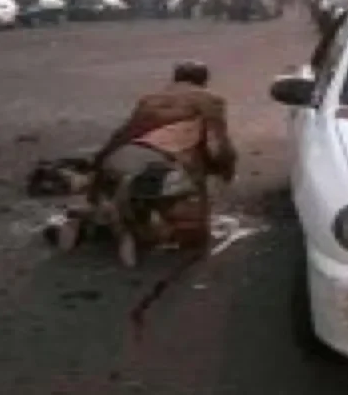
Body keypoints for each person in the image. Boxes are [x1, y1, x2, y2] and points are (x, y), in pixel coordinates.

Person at [57, 62, 237, 267]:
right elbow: (219, 147)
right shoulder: (210, 100)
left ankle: (97, 220)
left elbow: (121, 135)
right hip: (159, 165)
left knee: (128, 189)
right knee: (193, 232)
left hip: (121, 158)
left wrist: (98, 169)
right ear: (203, 81)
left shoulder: (149, 99)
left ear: (175, 79)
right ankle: (148, 229)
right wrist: (226, 169)